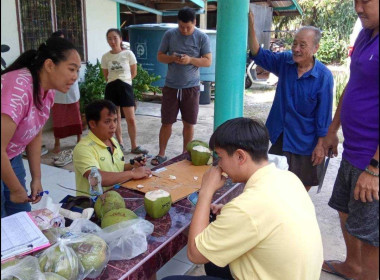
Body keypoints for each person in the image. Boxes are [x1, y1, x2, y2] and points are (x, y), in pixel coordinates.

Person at [163, 118, 323, 280]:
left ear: (240, 156)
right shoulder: (288, 178)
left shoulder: (245, 208)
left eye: (221, 157)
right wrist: (228, 213)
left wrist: (206, 191)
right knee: (215, 259)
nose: (219, 164)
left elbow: (195, 254)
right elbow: (268, 217)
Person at [321, 0, 379, 279]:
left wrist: (376, 167)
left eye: (365, 1)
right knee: (344, 208)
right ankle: (351, 266)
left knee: (371, 235)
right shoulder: (366, 34)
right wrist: (333, 129)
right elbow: (353, 85)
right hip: (352, 149)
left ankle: (365, 272)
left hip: (372, 158)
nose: (358, 7)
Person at [248, 11, 334, 192]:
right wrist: (251, 27)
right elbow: (258, 54)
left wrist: (321, 145)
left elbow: (324, 115)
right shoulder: (285, 61)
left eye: (303, 45)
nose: (296, 49)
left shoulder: (323, 76)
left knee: (301, 189)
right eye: (295, 43)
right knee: (273, 184)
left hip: (306, 141)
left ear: (315, 48)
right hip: (280, 135)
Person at [1, 37, 81, 217]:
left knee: (20, 215)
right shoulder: (19, 88)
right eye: (71, 69)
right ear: (50, 65)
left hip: (10, 157)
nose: (75, 76)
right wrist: (15, 189)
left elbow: (35, 134)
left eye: (77, 70)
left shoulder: (48, 91)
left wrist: (36, 178)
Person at [151, 7, 212, 166]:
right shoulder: (170, 35)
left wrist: (190, 60)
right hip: (171, 86)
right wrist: (172, 58)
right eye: (181, 26)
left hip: (191, 87)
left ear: (195, 22)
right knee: (166, 122)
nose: (184, 30)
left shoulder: (201, 37)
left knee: (189, 123)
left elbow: (207, 61)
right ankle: (161, 154)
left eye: (188, 27)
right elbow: (160, 56)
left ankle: (185, 154)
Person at [73, 100, 152, 196]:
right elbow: (96, 178)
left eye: (115, 120)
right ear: (93, 124)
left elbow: (117, 169)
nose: (113, 126)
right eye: (107, 121)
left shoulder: (113, 141)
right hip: (92, 205)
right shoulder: (83, 148)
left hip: (115, 197)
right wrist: (132, 173)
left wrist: (132, 165)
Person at [101, 28, 148, 155]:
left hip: (125, 87)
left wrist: (124, 82)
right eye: (109, 38)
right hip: (111, 87)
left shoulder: (128, 54)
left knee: (130, 118)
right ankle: (120, 143)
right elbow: (106, 75)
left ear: (120, 39)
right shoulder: (105, 57)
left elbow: (134, 72)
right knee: (114, 118)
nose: (112, 41)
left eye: (115, 38)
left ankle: (134, 145)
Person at [50, 30, 82, 167]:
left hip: (71, 89)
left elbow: (77, 70)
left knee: (75, 115)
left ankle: (79, 140)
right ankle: (57, 143)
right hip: (57, 92)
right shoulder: (51, 57)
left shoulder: (72, 54)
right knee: (58, 117)